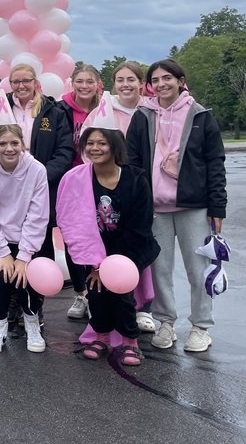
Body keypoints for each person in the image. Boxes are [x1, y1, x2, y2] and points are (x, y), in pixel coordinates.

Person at [127, 59, 227, 353]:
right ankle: (166, 323)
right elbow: (133, 163)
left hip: (193, 206)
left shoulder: (200, 115)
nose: (161, 84)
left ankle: (201, 326)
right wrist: (138, 203)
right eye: (155, 80)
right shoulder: (143, 116)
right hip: (155, 209)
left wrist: (217, 207)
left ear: (181, 81)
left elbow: (215, 163)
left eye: (167, 78)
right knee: (160, 270)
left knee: (198, 270)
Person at [57, 122, 160, 366]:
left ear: (115, 146)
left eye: (102, 143)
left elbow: (140, 225)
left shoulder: (136, 178)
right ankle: (101, 337)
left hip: (131, 247)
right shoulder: (76, 179)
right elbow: (70, 219)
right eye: (90, 143)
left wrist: (112, 265)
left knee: (121, 290)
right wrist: (96, 263)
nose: (95, 148)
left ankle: (130, 341)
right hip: (93, 247)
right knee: (96, 292)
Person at [0, 63, 73, 329]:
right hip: (6, 194)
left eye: (26, 81)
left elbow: (64, 151)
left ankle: (35, 306)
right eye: (16, 81)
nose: (21, 86)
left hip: (42, 190)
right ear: (10, 84)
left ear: (36, 83)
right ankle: (12, 302)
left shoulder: (53, 112)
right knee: (9, 251)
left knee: (39, 250)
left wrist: (41, 176)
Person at [87, 63, 156, 333]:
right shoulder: (103, 110)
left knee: (137, 245)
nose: (125, 84)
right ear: (113, 84)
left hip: (139, 186)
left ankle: (144, 308)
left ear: (141, 83)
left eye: (131, 79)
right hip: (107, 186)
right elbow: (89, 147)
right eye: (120, 80)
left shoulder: (151, 110)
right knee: (108, 245)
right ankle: (102, 314)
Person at [0, 123, 50, 354]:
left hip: (29, 235)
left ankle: (32, 324)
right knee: (2, 277)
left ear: (22, 144)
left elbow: (38, 214)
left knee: (29, 279)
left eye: (14, 143)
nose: (9, 148)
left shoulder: (36, 169)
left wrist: (24, 256)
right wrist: (4, 252)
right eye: (3, 143)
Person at [58, 64, 103, 321]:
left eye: (90, 81)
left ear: (98, 84)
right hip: (72, 183)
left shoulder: (105, 108)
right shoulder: (60, 109)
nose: (84, 86)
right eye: (80, 81)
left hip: (100, 180)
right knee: (73, 237)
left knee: (101, 235)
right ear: (72, 83)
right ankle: (80, 293)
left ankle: (100, 291)